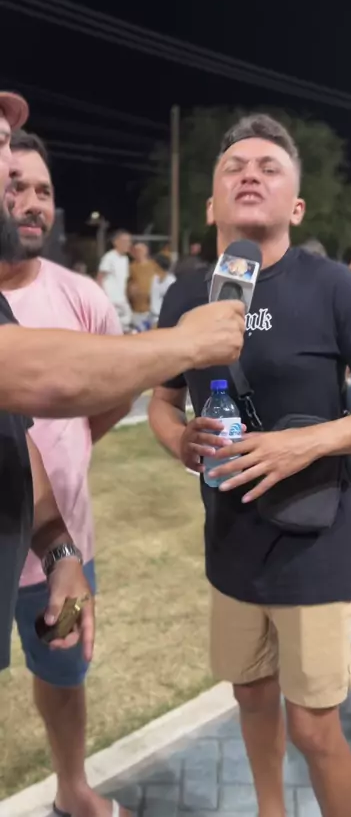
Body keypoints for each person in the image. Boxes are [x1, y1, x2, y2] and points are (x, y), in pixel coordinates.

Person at [149, 113, 351, 817]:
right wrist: (178, 441)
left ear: (296, 206)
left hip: (314, 538)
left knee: (314, 727)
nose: (250, 174)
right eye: (235, 166)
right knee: (249, 695)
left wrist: (304, 443)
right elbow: (161, 402)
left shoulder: (334, 287)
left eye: (269, 167)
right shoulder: (185, 294)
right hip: (229, 535)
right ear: (211, 204)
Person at [0, 91, 245, 670]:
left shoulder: (74, 293)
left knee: (63, 680)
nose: (13, 181)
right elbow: (36, 374)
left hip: (41, 552)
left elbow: (16, 435)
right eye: (2, 155)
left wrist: (60, 550)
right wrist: (187, 343)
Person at [4, 129, 131, 817]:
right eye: (15, 185)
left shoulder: (83, 299)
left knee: (64, 672)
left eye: (44, 190)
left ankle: (72, 790)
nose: (32, 202)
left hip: (66, 553)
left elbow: (113, 396)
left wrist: (73, 444)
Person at [97, 229, 132, 330]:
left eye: (129, 241)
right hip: (111, 300)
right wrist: (103, 297)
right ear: (116, 242)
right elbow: (100, 277)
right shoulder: (109, 257)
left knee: (126, 323)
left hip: (122, 300)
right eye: (125, 241)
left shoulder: (125, 259)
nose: (128, 244)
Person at [127, 241, 159, 328]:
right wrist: (130, 290)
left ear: (146, 251)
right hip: (136, 309)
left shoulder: (154, 265)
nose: (138, 253)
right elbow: (127, 283)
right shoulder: (131, 267)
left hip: (152, 308)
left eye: (141, 250)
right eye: (136, 251)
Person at [150, 254, 176, 324]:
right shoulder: (154, 278)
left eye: (154, 263)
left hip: (165, 318)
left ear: (158, 265)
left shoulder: (171, 281)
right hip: (152, 316)